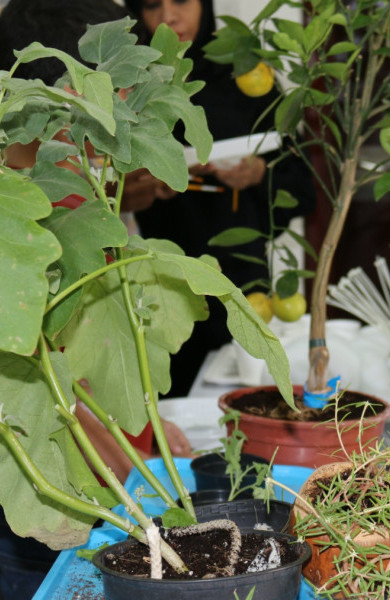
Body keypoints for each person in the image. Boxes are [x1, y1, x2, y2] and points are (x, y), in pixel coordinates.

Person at [0, 3, 195, 598]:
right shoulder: (14, 211)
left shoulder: (88, 193)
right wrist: (86, 423)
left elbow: (97, 334)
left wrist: (136, 417)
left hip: (105, 470)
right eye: (116, 102)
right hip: (32, 485)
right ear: (59, 98)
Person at [123, 0, 317, 397]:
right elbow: (102, 190)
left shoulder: (246, 75)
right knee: (165, 405)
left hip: (242, 283)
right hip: (158, 282)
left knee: (247, 400)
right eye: (150, 5)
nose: (167, 18)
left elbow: (305, 189)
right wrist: (137, 189)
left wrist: (259, 173)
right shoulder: (128, 81)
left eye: (181, 0)